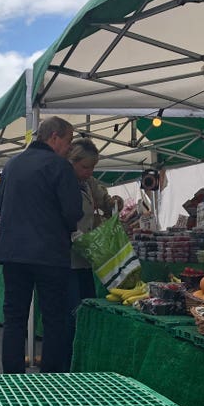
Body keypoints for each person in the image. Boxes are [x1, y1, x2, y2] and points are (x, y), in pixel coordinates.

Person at [0, 116, 83, 373]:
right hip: (49, 254)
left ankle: (11, 378)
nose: (69, 148)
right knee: (55, 318)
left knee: (14, 319)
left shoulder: (11, 165)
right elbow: (72, 212)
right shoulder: (60, 166)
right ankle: (51, 378)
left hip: (13, 253)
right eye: (68, 141)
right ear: (54, 137)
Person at [68, 137, 116, 358]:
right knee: (72, 309)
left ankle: (83, 351)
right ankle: (70, 353)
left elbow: (106, 201)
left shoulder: (89, 183)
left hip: (86, 256)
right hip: (66, 258)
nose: (88, 171)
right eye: (85, 166)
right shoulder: (63, 181)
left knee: (86, 305)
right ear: (71, 161)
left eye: (92, 167)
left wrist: (114, 203)